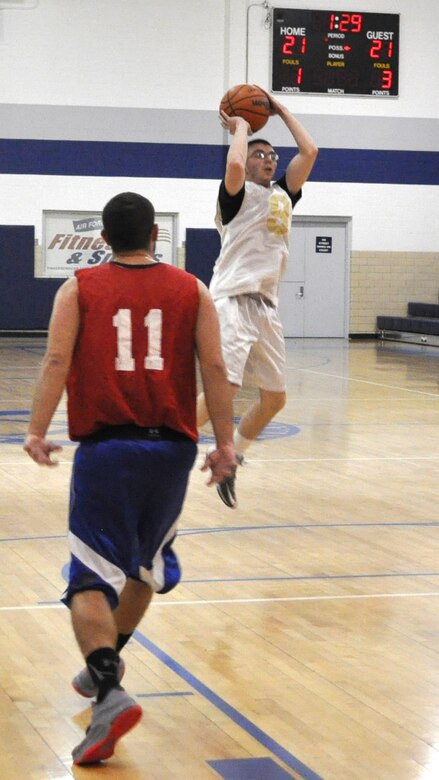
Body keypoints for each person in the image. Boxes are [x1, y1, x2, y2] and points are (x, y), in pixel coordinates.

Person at [23, 192, 236, 766]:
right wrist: (225, 444)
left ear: (104, 239)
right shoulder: (192, 289)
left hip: (109, 449)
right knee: (144, 565)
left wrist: (37, 430)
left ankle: (108, 688)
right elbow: (216, 367)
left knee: (88, 578)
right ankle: (105, 665)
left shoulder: (79, 288)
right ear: (155, 236)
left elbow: (56, 361)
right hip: (171, 451)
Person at [197, 94, 318, 508]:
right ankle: (164, 448)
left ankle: (233, 457)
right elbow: (233, 165)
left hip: (266, 305)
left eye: (271, 156)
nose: (268, 160)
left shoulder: (283, 194)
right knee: (226, 388)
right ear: (247, 162)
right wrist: (241, 128)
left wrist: (280, 111)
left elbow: (310, 151)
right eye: (259, 155)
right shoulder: (234, 194)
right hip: (231, 300)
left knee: (275, 399)